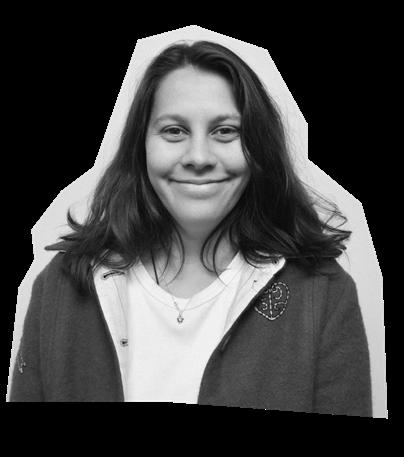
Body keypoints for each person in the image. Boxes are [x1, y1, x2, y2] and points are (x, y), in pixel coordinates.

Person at [9, 40, 372, 415]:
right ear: (141, 146)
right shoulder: (61, 287)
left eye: (225, 131)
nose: (199, 157)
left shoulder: (323, 294)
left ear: (258, 146)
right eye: (174, 131)